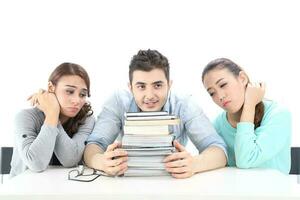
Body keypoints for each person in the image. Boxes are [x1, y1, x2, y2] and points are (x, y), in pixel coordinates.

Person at [84, 49, 227, 178]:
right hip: (129, 182)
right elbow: (94, 145)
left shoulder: (184, 104)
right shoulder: (118, 101)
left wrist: (194, 164)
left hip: (172, 181)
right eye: (141, 86)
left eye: (157, 85)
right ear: (130, 87)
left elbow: (218, 149)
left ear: (169, 85)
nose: (149, 95)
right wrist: (102, 162)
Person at [202, 58, 291, 174]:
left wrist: (249, 104)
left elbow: (246, 159)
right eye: (212, 93)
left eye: (223, 85)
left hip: (273, 191)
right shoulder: (217, 125)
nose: (220, 96)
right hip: (233, 191)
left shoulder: (278, 115)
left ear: (242, 79)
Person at [10, 62, 95, 177]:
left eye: (82, 94)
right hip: (23, 191)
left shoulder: (86, 119)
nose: (76, 101)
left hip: (62, 189)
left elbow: (70, 159)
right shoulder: (25, 117)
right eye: (69, 91)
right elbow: (36, 163)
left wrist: (53, 114)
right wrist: (52, 114)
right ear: (51, 88)